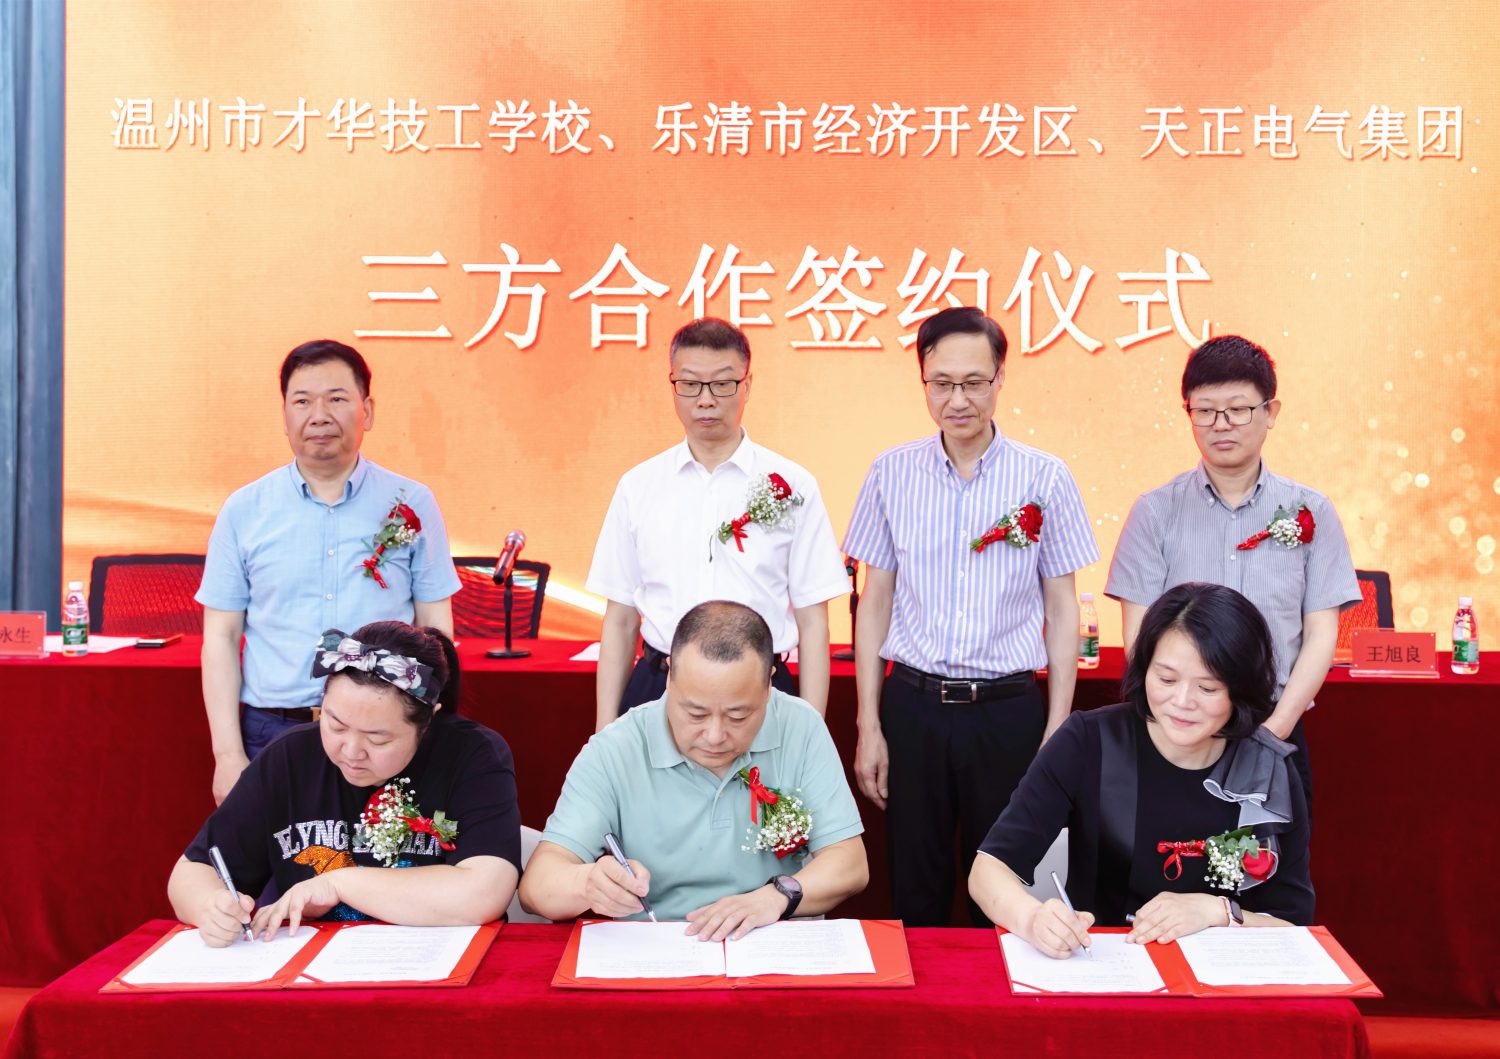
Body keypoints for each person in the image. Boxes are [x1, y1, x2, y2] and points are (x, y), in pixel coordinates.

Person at [842, 306, 1099, 927]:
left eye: (974, 382)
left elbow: (1062, 607)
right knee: (916, 887)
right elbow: (874, 602)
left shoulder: (1044, 477)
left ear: (1000, 378)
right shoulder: (890, 473)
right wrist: (869, 723)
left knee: (1009, 891)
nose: (958, 400)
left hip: (1007, 712)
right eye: (942, 383)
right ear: (923, 382)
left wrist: (1057, 728)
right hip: (914, 708)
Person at [969, 583, 1314, 958]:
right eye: (1166, 679)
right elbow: (988, 870)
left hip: (1223, 972)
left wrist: (1218, 912)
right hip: (1106, 963)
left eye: (1207, 688)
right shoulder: (1089, 741)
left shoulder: (1267, 768)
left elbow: (1294, 925)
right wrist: (1032, 918)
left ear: (1241, 689)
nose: (1182, 701)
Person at [196, 339, 461, 803]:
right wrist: (227, 755)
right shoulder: (244, 509)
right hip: (273, 728)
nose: (319, 416)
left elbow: (435, 627)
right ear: (285, 416)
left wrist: (425, 730)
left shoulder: (411, 503)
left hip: (382, 733)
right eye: (302, 401)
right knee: (272, 852)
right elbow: (220, 636)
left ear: (367, 411)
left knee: (385, 852)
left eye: (337, 399)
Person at [1105, 335, 1360, 803]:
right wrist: (1178, 722)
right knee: (1172, 852)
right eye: (1205, 411)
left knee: (1276, 851)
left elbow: (1321, 634)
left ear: (1270, 412)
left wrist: (1274, 731)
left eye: (1238, 409)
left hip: (1275, 726)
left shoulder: (1312, 511)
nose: (1221, 424)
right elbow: (1139, 636)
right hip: (1178, 731)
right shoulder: (1155, 512)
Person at [519, 601, 867, 940]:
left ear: (768, 685)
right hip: (658, 948)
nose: (714, 736)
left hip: (771, 944)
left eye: (738, 716)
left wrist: (776, 896)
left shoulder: (799, 726)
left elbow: (850, 863)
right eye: (696, 713)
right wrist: (588, 884)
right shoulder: (616, 749)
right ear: (670, 676)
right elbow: (535, 888)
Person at [168, 622, 521, 946]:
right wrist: (210, 905)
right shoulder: (290, 757)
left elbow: (485, 891)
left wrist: (339, 883)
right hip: (312, 972)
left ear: (427, 722)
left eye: (378, 739)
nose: (351, 751)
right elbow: (192, 872)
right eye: (335, 725)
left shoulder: (472, 756)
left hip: (439, 964)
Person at [586, 318, 849, 732]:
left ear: (747, 385)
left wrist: (812, 732)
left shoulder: (793, 485)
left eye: (723, 384)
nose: (705, 400)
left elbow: (813, 621)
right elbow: (620, 619)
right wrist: (605, 731)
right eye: (690, 384)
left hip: (762, 692)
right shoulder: (638, 486)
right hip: (659, 688)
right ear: (673, 385)